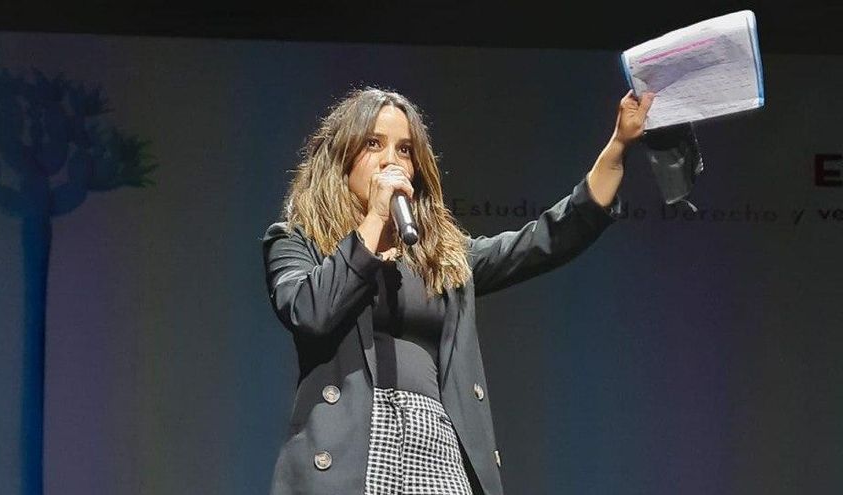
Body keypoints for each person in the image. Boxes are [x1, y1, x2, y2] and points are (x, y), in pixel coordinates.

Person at [262, 86, 654, 495]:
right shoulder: (296, 240)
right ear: (342, 156)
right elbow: (309, 313)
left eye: (405, 150)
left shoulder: (443, 258)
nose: (390, 161)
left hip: (436, 445)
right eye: (373, 144)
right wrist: (372, 227)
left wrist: (619, 144)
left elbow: (543, 241)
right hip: (354, 451)